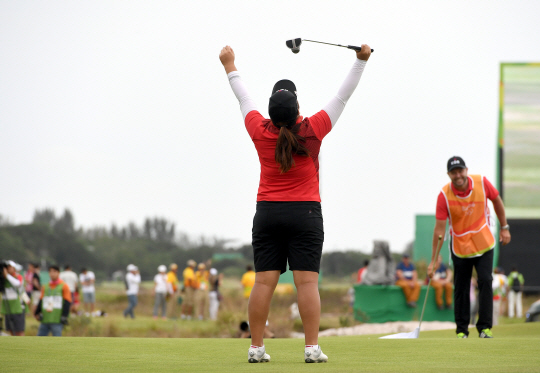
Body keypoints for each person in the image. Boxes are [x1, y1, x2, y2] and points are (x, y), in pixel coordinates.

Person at [220, 42, 371, 363]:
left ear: (271, 113)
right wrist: (361, 60)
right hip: (305, 213)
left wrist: (229, 64)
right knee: (306, 283)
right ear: (298, 109)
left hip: (268, 213)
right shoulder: (312, 129)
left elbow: (243, 96)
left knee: (263, 282)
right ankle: (311, 349)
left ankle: (256, 348)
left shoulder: (259, 130)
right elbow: (343, 95)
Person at [428, 156, 511, 339]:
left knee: (485, 281)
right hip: (460, 245)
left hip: (483, 241)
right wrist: (433, 261)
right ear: (449, 174)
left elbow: (497, 201)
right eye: (453, 172)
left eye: (460, 171)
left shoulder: (481, 182)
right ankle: (462, 330)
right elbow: (439, 231)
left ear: (466, 170)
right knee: (461, 287)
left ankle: (484, 328)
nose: (458, 175)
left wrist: (504, 227)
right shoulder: (444, 195)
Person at [35, 265, 72, 336]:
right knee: (39, 339)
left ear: (58, 273)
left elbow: (67, 301)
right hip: (45, 318)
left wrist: (64, 315)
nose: (52, 274)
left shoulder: (64, 286)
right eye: (50, 271)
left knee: (57, 339)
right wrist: (37, 312)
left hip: (57, 318)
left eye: (54, 271)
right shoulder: (45, 286)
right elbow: (41, 300)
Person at [1, 261, 25, 336]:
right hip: (7, 308)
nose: (7, 269)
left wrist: (7, 275)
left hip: (17, 308)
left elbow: (17, 284)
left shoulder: (18, 276)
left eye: (9, 267)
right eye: (6, 268)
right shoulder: (3, 279)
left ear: (14, 268)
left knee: (19, 330)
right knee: (11, 330)